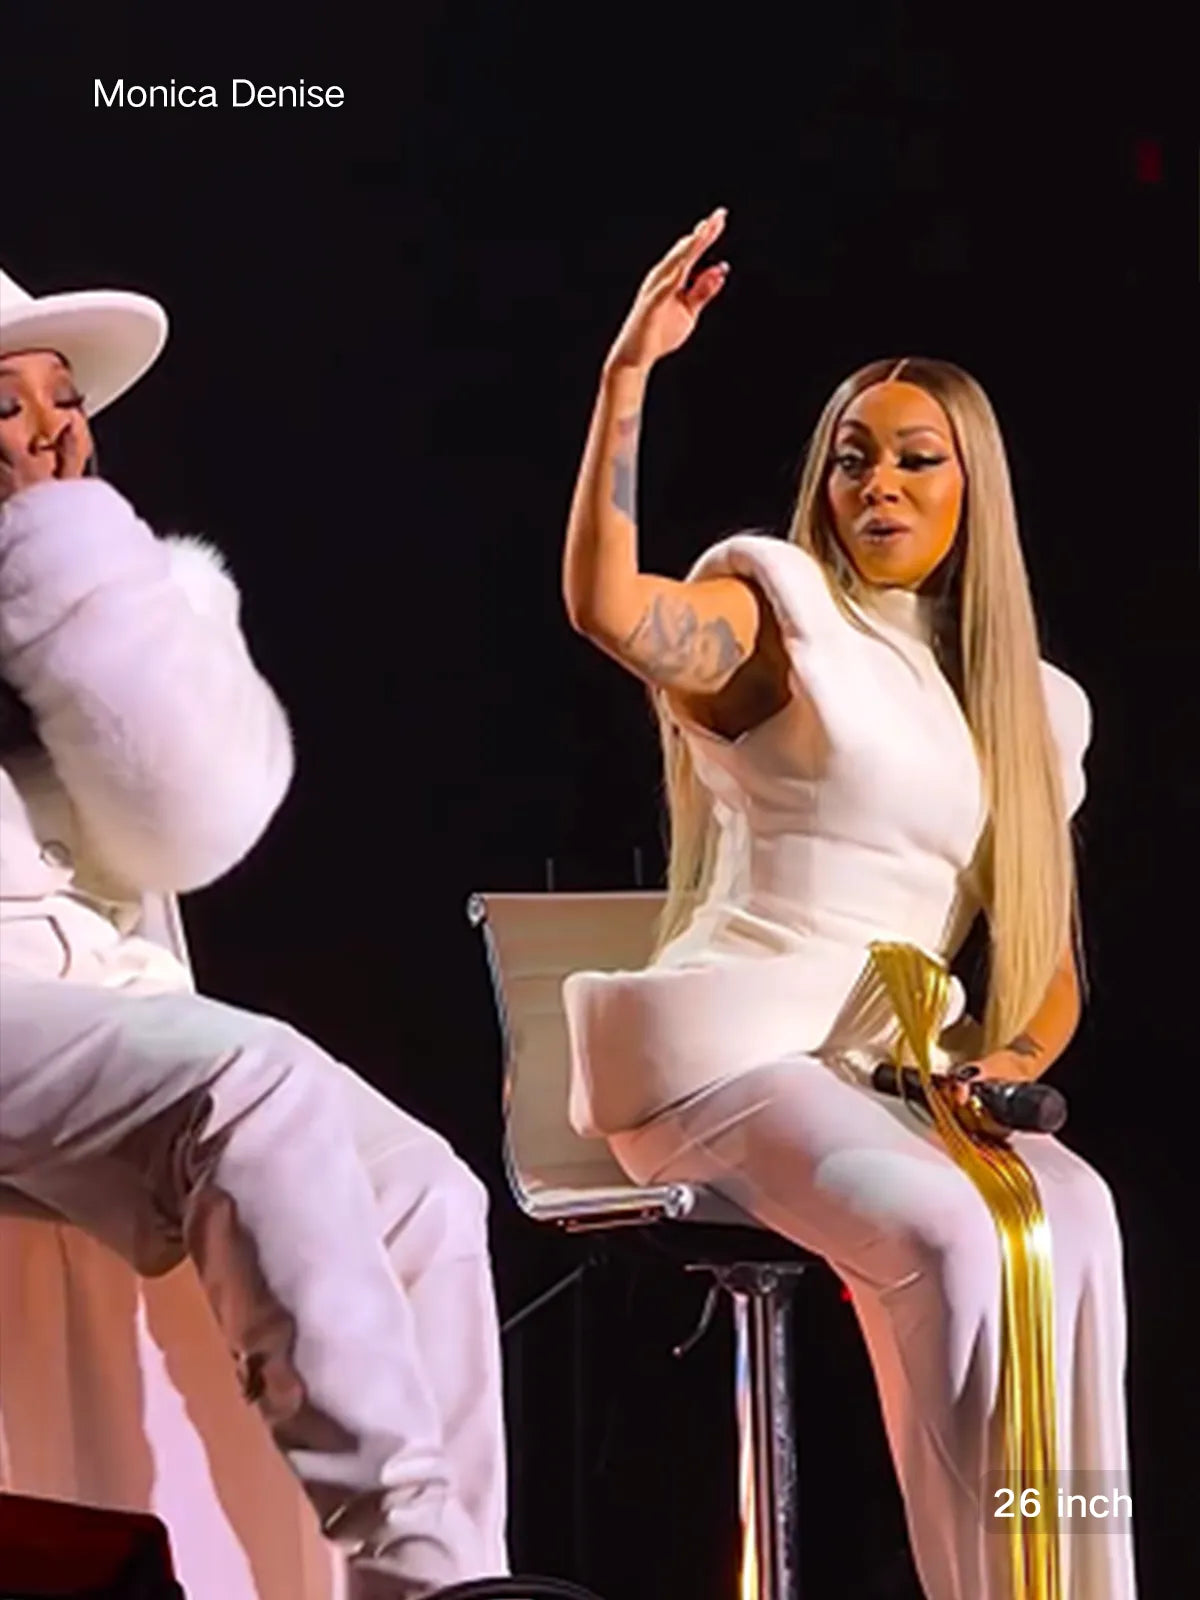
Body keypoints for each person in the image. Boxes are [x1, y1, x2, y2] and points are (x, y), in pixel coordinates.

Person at [559, 211, 1136, 1599]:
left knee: (1080, 1217)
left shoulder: (1027, 704)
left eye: (915, 458)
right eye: (852, 456)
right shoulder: (779, 609)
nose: (877, 482)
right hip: (723, 1058)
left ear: (970, 487)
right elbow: (607, 607)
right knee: (947, 1235)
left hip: (888, 1076)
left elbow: (1046, 961)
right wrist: (628, 376)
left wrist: (1004, 1066)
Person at [0, 266, 508, 1600]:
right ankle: (421, 1565)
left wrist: (78, 578)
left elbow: (198, 820)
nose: (54, 430)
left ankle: (465, 1582)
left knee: (429, 1192)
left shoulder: (132, 595)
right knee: (254, 1076)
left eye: (67, 399)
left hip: (107, 1003)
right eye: (6, 402)